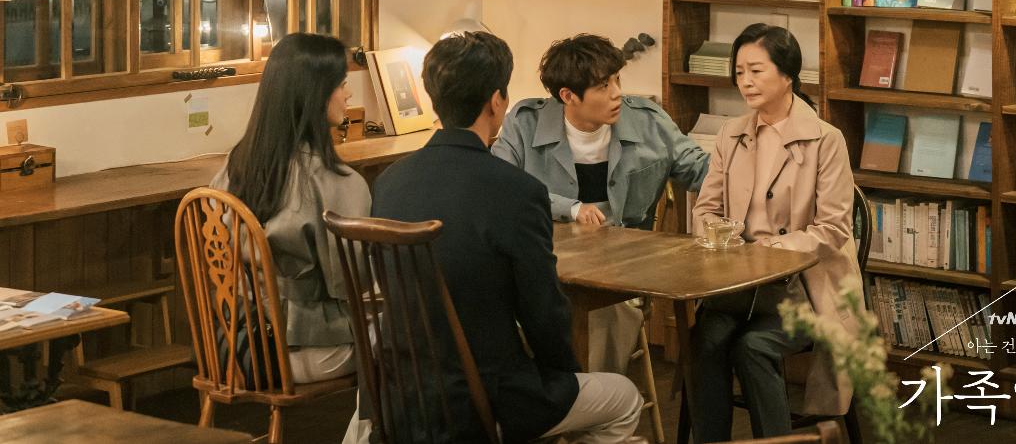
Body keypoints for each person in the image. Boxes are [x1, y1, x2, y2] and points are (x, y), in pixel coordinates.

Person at [371, 31, 642, 444]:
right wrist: (564, 375)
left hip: (402, 397)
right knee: (623, 398)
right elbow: (543, 312)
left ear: (433, 98)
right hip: (486, 401)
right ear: (497, 101)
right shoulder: (516, 191)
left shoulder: (389, 182)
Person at [492, 33, 710, 372]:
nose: (617, 92)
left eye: (617, 79)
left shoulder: (649, 121)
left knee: (605, 312)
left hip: (622, 270)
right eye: (603, 86)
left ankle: (588, 396)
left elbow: (701, 170)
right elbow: (499, 186)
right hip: (543, 261)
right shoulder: (524, 123)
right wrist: (570, 208)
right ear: (568, 96)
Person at [690, 23, 863, 442]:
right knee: (703, 342)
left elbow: (834, 227)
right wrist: (725, 239)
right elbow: (706, 209)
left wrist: (773, 247)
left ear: (787, 75)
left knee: (753, 347)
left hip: (802, 290)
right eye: (739, 72)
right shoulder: (731, 134)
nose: (745, 82)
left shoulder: (826, 140)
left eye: (756, 71)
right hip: (737, 285)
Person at [209, 32, 368, 386]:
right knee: (411, 341)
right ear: (315, 94)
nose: (349, 94)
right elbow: (354, 281)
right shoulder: (336, 181)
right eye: (342, 83)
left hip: (238, 344)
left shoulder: (235, 165)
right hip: (306, 349)